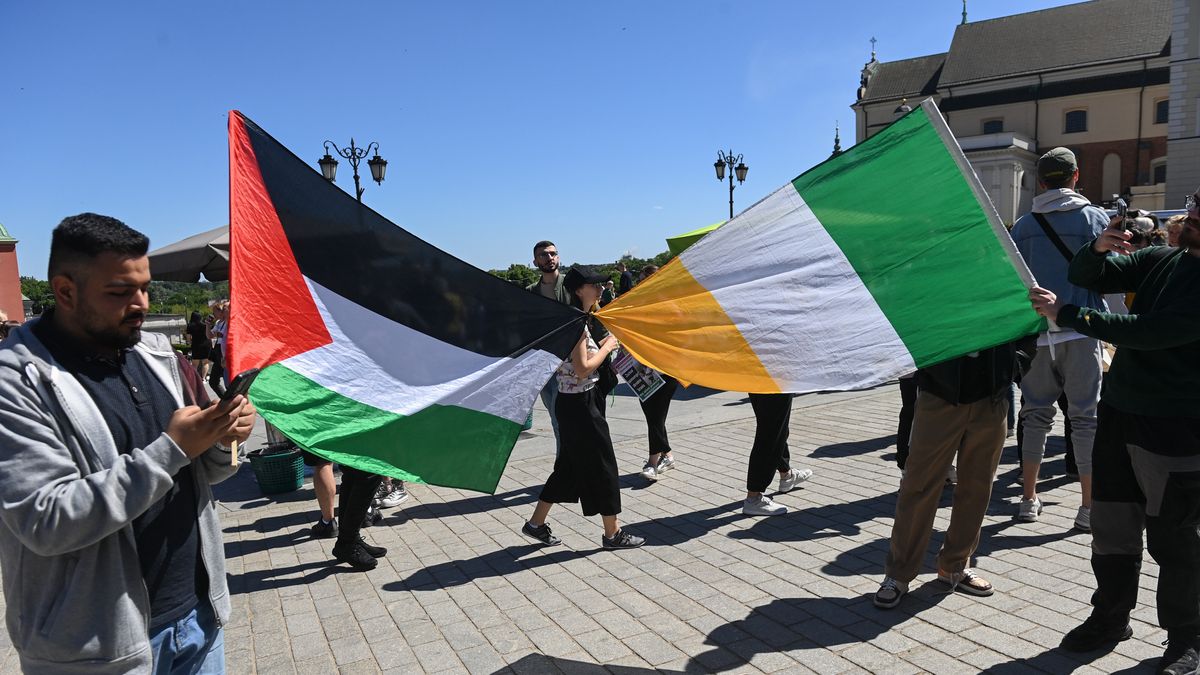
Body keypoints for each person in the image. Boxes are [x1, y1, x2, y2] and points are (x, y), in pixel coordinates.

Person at [0, 213, 256, 674]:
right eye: (120, 292)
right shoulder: (16, 383)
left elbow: (211, 472)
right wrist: (172, 448)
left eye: (145, 288)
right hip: (95, 649)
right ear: (65, 291)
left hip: (198, 619)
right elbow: (47, 521)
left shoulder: (159, 357)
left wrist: (225, 435)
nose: (140, 303)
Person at [1029, 190, 1200, 673]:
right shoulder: (1163, 258)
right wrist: (1097, 248)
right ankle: (1110, 617)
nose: (1189, 215)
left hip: (1177, 428)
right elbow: (1085, 275)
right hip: (1120, 415)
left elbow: (1150, 330)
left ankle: (1187, 637)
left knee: (1176, 540)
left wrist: (1067, 314)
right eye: (1193, 204)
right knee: (1112, 528)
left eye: (1199, 210)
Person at [874, 337, 1035, 609]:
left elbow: (1030, 328)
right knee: (919, 485)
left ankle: (955, 566)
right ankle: (898, 574)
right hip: (940, 393)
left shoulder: (1011, 290)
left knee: (977, 487)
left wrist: (1014, 365)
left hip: (992, 395)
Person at [1008, 147, 1106, 531]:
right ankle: (1088, 507)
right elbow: (1109, 276)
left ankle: (1029, 499)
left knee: (1034, 416)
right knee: (1085, 419)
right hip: (1081, 328)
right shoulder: (1094, 218)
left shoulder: (1023, 225)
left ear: (1041, 180)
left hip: (1037, 335)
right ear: (1076, 176)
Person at [522, 265, 644, 549]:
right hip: (580, 404)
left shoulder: (578, 319)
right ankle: (613, 534)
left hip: (572, 404)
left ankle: (535, 524)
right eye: (595, 285)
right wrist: (608, 345)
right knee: (603, 467)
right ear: (579, 290)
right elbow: (582, 369)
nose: (601, 289)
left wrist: (602, 343)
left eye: (602, 285)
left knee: (568, 468)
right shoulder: (577, 322)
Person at [742, 393, 813, 515]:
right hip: (774, 379)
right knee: (771, 430)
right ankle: (753, 498)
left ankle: (786, 475)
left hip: (760, 377)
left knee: (776, 426)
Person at [207, 300, 229, 396]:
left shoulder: (229, 322)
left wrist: (219, 334)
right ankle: (226, 400)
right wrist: (207, 325)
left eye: (214, 311)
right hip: (219, 353)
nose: (213, 314)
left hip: (225, 354)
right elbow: (209, 336)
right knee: (213, 381)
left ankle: (229, 402)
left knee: (228, 381)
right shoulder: (219, 322)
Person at [187, 310, 212, 380]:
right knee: (205, 362)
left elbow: (188, 339)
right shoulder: (204, 325)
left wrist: (191, 342)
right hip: (206, 344)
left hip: (196, 345)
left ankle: (194, 378)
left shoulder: (190, 326)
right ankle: (203, 378)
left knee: (195, 364)